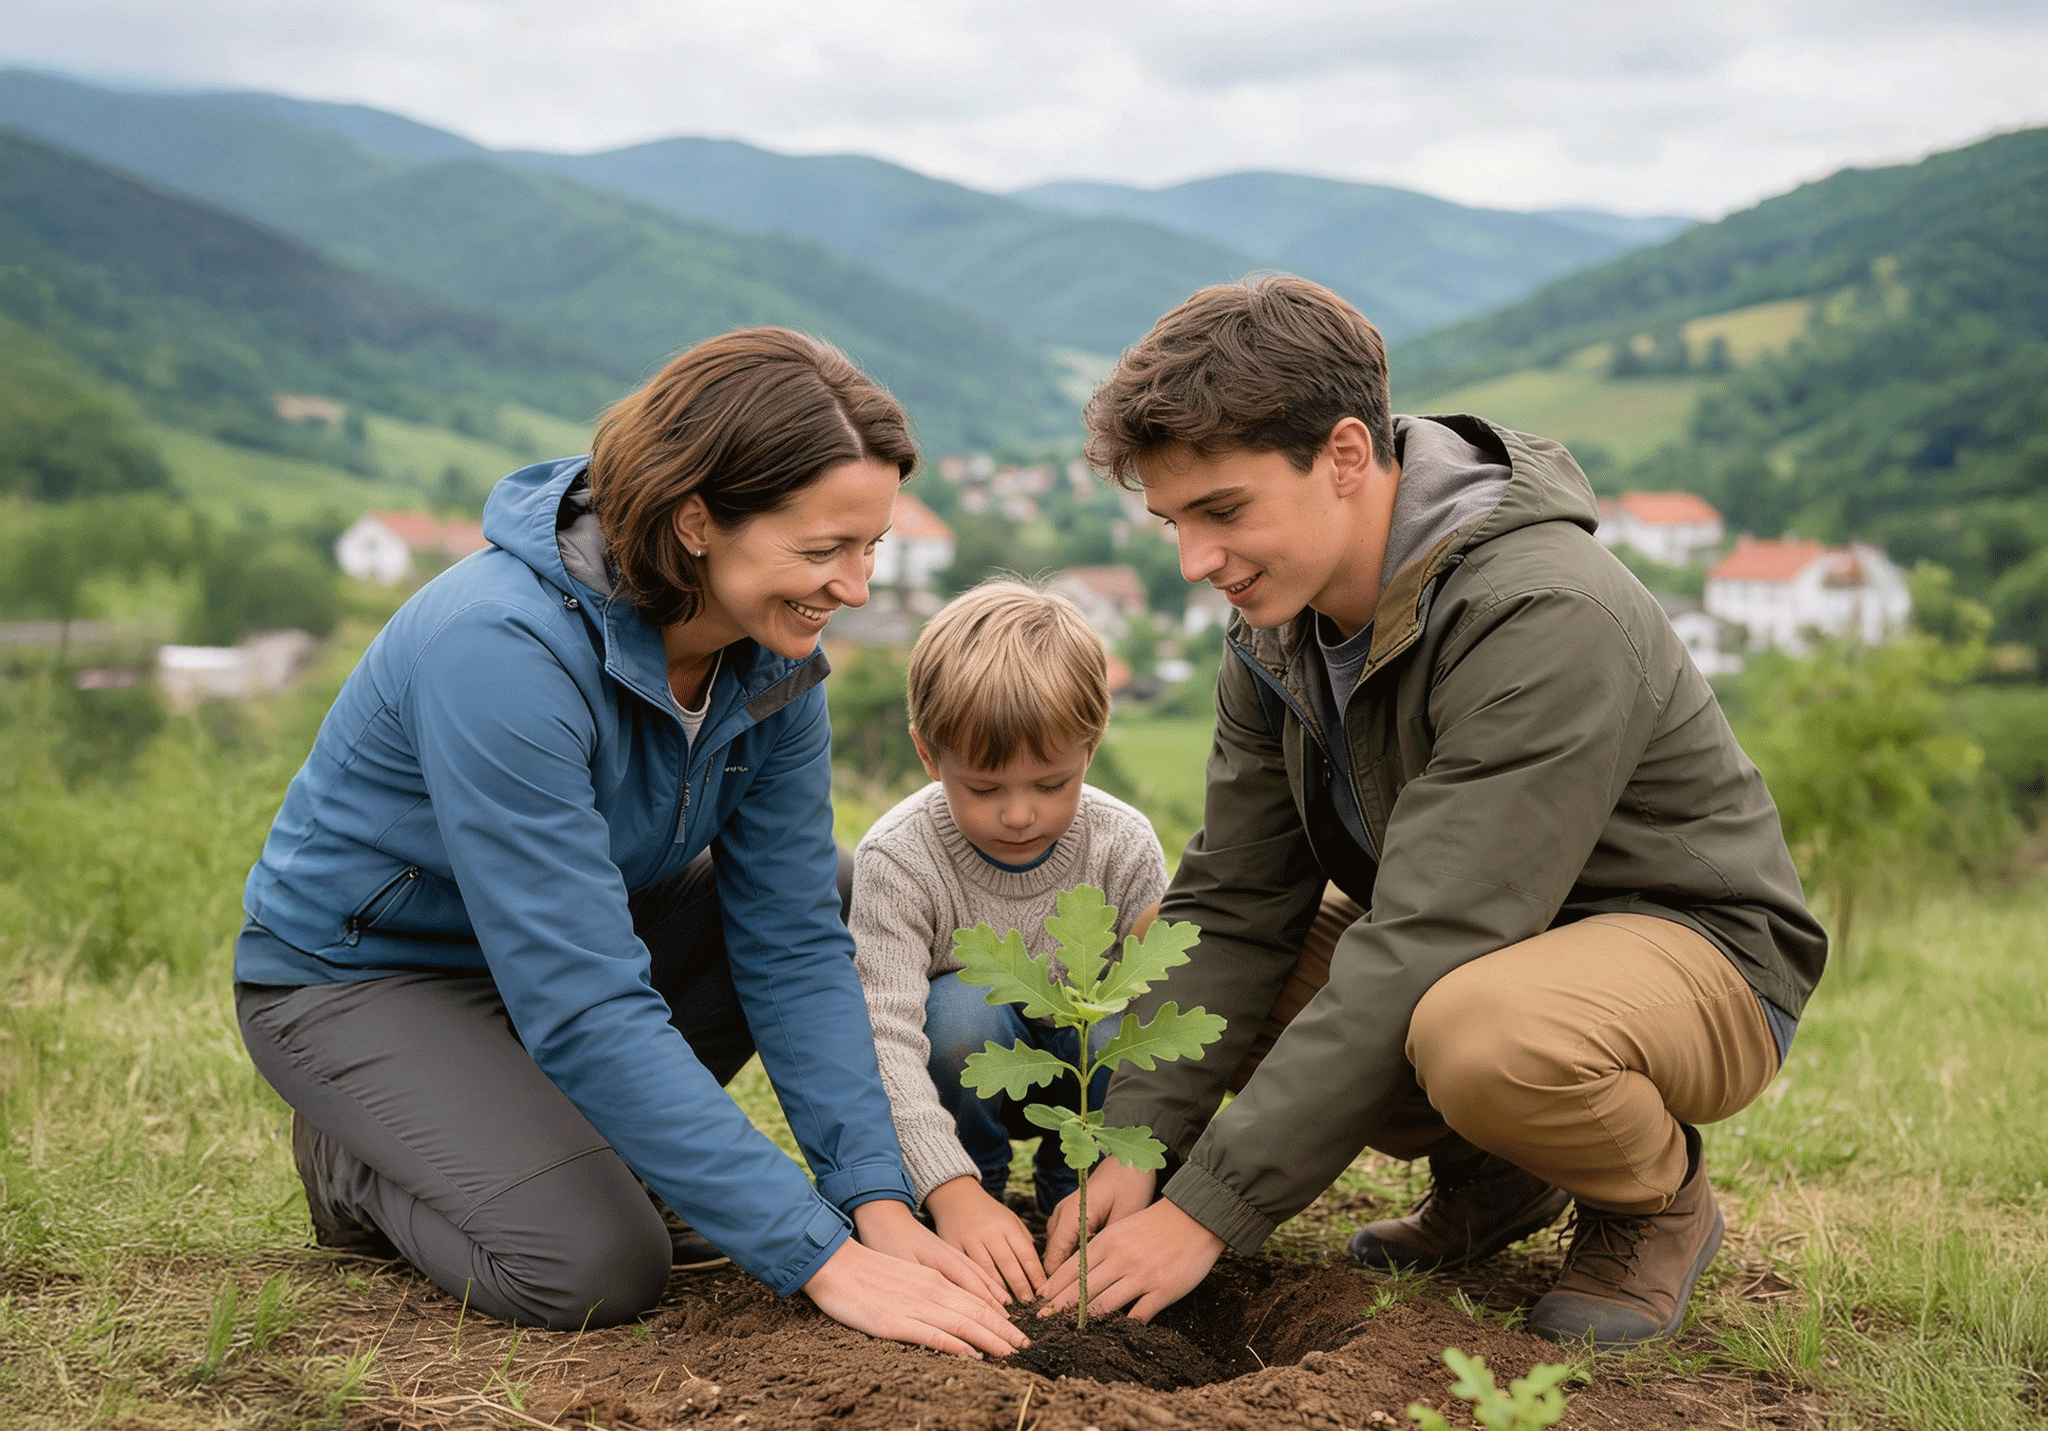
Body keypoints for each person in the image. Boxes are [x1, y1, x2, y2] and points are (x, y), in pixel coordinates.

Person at [1037, 277, 1827, 1347]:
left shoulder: (1542, 610)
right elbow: (1231, 905)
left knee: (1484, 1033)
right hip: (1478, 946)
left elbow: (1430, 935)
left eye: (1222, 511)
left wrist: (1206, 1212)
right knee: (1164, 946)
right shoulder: (1274, 632)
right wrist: (1129, 1152)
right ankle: (1498, 1175)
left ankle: (1652, 1203)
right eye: (1173, 521)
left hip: (1695, 955)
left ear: (1347, 456)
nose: (1195, 561)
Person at [233, 328, 1025, 1358]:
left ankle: (558, 1144)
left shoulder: (772, 660)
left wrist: (875, 1207)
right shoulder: (499, 650)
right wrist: (826, 1264)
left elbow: (788, 940)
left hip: (574, 957)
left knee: (832, 890)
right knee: (597, 1264)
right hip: (369, 982)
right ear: (697, 521)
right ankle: (357, 1171)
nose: (857, 587)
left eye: (868, 545)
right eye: (823, 549)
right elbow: (580, 999)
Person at [849, 581, 1169, 1304]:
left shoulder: (1124, 844)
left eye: (1052, 782)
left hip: (1088, 1084)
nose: (1021, 813)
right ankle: (977, 1203)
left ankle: (1080, 1202)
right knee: (962, 1009)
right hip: (958, 1086)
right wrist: (950, 1187)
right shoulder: (899, 860)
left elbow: (1161, 1013)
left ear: (1093, 744)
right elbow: (883, 1036)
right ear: (929, 755)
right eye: (985, 788)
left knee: (1123, 1026)